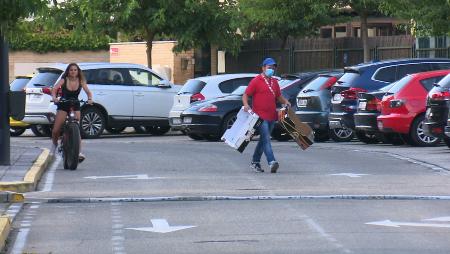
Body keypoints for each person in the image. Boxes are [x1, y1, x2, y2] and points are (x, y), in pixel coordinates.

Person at [242, 58, 291, 173]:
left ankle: (255, 162)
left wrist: (285, 101)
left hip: (272, 116)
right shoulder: (256, 81)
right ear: (263, 68)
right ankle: (272, 162)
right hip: (260, 117)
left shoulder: (274, 82)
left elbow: (278, 96)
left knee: (263, 140)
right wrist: (246, 105)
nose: (271, 70)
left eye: (273, 68)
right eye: (269, 67)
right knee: (266, 138)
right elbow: (246, 95)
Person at [50, 63, 93, 161]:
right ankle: (54, 145)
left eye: (75, 70)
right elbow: (54, 89)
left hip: (75, 104)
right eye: (71, 70)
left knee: (77, 129)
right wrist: (54, 97)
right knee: (56, 130)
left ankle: (78, 152)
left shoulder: (81, 81)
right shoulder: (64, 80)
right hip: (64, 104)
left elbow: (88, 92)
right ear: (68, 71)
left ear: (78, 71)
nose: (73, 72)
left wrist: (90, 98)